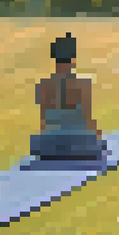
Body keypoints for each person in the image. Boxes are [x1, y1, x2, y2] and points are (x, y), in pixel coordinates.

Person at [30, 32, 105, 162]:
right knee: (97, 143)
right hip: (79, 147)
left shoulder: (42, 86)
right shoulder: (83, 84)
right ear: (73, 59)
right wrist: (99, 139)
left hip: (49, 148)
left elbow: (44, 122)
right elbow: (88, 120)